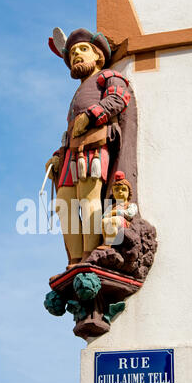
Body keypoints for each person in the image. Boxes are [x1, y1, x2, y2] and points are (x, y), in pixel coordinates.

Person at [46, 28, 131, 268]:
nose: (76, 56)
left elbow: (119, 98)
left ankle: (89, 256)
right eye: (72, 53)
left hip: (94, 144)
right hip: (72, 151)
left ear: (98, 56)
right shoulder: (77, 93)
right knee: (64, 204)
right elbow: (69, 129)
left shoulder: (107, 77)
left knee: (89, 198)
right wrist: (57, 156)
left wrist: (91, 116)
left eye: (83, 50)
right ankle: (74, 259)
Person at [101, 171, 138, 246]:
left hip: (124, 225)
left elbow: (129, 214)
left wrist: (115, 212)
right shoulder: (111, 207)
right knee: (104, 221)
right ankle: (106, 242)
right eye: (117, 190)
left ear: (129, 192)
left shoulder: (131, 205)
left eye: (123, 189)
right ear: (113, 193)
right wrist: (106, 216)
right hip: (112, 226)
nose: (120, 192)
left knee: (114, 220)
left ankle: (108, 244)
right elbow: (104, 216)